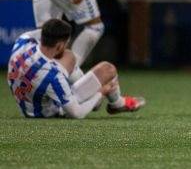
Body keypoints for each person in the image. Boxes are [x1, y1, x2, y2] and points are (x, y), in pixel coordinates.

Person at [7, 19, 145, 118]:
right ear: (60, 45)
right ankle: (116, 103)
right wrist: (101, 93)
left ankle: (90, 94)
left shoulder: (23, 41)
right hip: (47, 111)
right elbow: (77, 113)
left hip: (26, 103)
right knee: (108, 70)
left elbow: (45, 33)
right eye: (66, 43)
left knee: (69, 56)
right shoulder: (52, 75)